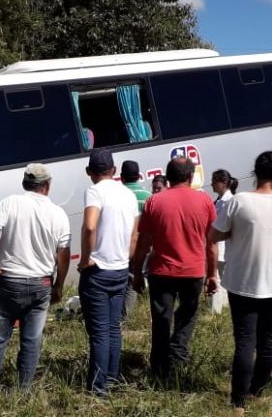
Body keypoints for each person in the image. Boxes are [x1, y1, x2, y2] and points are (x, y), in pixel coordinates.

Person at [207, 152, 272, 415]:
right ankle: (257, 390)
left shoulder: (239, 202)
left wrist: (235, 232)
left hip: (243, 281)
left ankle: (238, 402)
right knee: (266, 341)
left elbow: (214, 235)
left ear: (254, 173)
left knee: (245, 341)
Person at [0, 163, 72, 389]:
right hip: (42, 283)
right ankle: (23, 389)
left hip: (9, 282)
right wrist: (59, 285)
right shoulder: (58, 213)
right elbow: (63, 253)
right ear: (47, 186)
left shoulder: (9, 203)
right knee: (31, 341)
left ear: (24, 183)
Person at [132, 157, 217, 379]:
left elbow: (143, 243)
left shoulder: (154, 202)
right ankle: (178, 359)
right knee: (187, 316)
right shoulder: (204, 200)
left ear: (168, 177)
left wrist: (137, 273)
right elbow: (211, 243)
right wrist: (212, 274)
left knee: (161, 320)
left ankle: (159, 369)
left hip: (161, 272)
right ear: (191, 176)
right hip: (193, 271)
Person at [78, 148, 139, 396]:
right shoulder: (128, 194)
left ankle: (98, 387)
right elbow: (134, 235)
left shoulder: (94, 191)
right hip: (120, 269)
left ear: (89, 172)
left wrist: (85, 259)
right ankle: (112, 380)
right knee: (114, 328)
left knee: (100, 332)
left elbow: (90, 226)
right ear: (114, 170)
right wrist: (126, 259)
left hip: (98, 270)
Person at [121, 160, 151, 320]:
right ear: (139, 176)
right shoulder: (148, 196)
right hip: (143, 244)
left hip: (122, 245)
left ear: (121, 177)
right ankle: (126, 315)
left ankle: (123, 316)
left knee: (123, 279)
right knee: (133, 277)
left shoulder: (118, 195)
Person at [209, 169, 239, 314]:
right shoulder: (220, 201)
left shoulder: (228, 201)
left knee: (219, 281)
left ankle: (216, 312)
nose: (212, 184)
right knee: (222, 280)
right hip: (219, 247)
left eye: (214, 182)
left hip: (222, 247)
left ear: (224, 183)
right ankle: (223, 310)